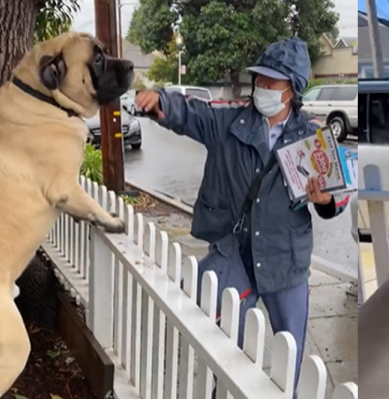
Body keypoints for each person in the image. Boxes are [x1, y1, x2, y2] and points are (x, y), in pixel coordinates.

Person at [134, 37, 350, 391]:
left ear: (292, 88)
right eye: (259, 79)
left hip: (286, 258)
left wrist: (324, 200)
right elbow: (193, 113)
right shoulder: (230, 123)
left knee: (289, 352)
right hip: (234, 250)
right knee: (219, 341)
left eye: (272, 81)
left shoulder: (312, 138)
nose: (262, 87)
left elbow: (337, 199)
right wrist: (161, 101)